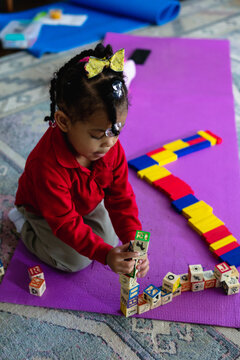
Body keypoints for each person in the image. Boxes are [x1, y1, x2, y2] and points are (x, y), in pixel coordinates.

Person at [9, 43, 149, 278]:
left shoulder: (109, 147)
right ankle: (22, 223)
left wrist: (135, 241)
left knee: (112, 240)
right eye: (97, 135)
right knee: (74, 261)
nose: (109, 143)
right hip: (44, 210)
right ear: (63, 122)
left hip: (85, 202)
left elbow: (121, 197)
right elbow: (64, 223)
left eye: (116, 131)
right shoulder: (46, 166)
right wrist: (105, 255)